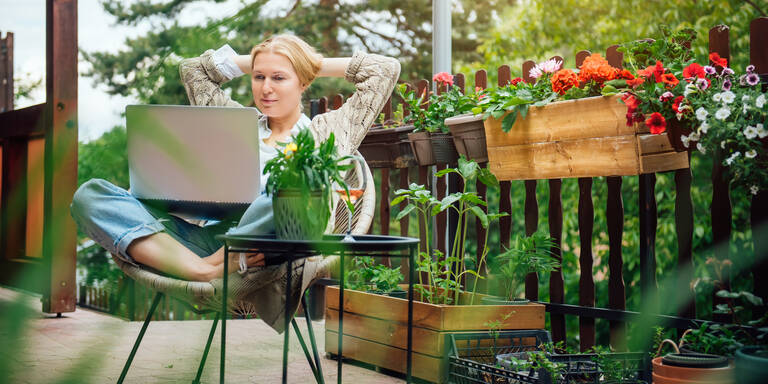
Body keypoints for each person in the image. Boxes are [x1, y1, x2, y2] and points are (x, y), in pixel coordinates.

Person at [70, 35, 400, 328]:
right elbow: (194, 71)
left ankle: (215, 261)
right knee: (90, 195)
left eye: (279, 77)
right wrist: (262, 56)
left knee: (289, 186)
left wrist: (305, 61)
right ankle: (200, 270)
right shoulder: (234, 121)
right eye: (259, 77)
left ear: (303, 82)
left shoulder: (328, 130)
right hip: (211, 246)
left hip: (267, 250)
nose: (265, 88)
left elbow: (384, 70)